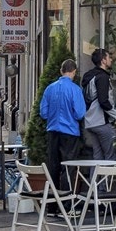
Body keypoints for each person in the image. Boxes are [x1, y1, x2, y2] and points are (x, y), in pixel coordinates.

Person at [38, 58, 86, 189]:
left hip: (53, 131)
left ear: (61, 71)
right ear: (74, 71)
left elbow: (43, 113)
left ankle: (53, 204)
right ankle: (66, 204)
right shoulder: (75, 89)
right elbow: (80, 114)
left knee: (53, 167)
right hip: (70, 133)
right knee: (68, 167)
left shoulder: (49, 88)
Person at [79, 47, 116, 160]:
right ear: (103, 60)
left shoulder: (89, 76)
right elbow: (103, 101)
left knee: (97, 156)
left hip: (90, 122)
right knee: (110, 157)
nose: (111, 60)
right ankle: (108, 178)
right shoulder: (102, 77)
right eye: (108, 57)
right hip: (101, 122)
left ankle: (95, 178)